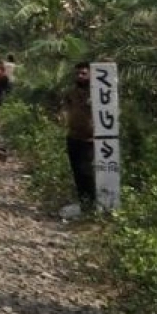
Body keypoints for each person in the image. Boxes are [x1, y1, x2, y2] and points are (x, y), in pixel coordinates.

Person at [59, 62, 96, 212]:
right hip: (73, 137)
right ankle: (84, 203)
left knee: (86, 172)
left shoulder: (97, 93)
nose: (80, 76)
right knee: (77, 173)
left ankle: (92, 203)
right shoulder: (71, 93)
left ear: (91, 75)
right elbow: (65, 107)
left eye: (83, 73)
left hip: (90, 140)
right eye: (77, 74)